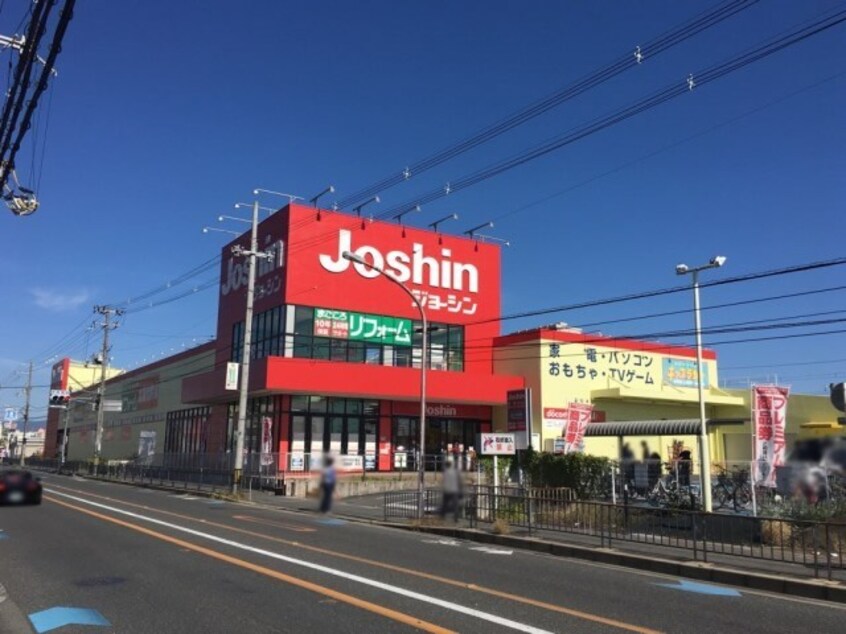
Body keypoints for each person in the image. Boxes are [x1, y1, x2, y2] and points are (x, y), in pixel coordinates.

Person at [439, 458, 463, 522]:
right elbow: (459, 481)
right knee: (455, 505)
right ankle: (456, 518)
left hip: (447, 490)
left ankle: (442, 516)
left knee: (445, 504)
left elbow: (443, 481)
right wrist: (460, 489)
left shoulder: (445, 472)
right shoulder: (455, 472)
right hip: (454, 490)